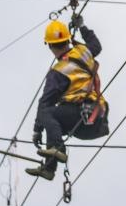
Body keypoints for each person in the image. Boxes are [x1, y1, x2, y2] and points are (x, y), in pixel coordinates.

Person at [25, 14, 109, 180]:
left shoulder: (58, 71)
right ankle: (49, 167)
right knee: (53, 125)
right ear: (68, 39)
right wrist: (82, 27)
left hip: (82, 116)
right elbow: (96, 46)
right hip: (98, 117)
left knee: (47, 114)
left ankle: (57, 151)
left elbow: (45, 103)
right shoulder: (83, 51)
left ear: (49, 45)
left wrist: (37, 130)